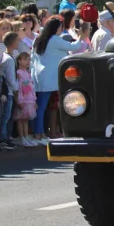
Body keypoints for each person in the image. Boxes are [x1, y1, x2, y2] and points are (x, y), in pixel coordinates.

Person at [31, 16, 82, 144]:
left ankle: (40, 133)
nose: (61, 29)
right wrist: (81, 36)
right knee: (43, 108)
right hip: (50, 78)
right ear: (55, 28)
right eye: (60, 27)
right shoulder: (54, 39)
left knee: (41, 107)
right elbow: (74, 46)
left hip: (40, 76)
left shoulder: (38, 39)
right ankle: (39, 134)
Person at [0, 32, 20, 149]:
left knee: (9, 117)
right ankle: (2, 138)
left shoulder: (7, 57)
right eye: (17, 40)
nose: (19, 42)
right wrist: (17, 90)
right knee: (6, 116)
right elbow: (11, 78)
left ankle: (7, 137)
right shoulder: (9, 60)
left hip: (9, 91)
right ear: (12, 43)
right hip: (8, 92)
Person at [13, 52, 39, 147]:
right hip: (23, 99)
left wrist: (34, 100)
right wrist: (20, 100)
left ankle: (26, 136)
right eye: (25, 59)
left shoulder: (28, 73)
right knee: (20, 119)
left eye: (29, 59)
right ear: (19, 61)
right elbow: (20, 88)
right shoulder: (18, 73)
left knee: (26, 119)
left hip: (30, 99)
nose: (28, 62)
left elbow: (31, 88)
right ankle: (22, 138)